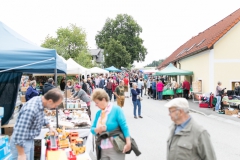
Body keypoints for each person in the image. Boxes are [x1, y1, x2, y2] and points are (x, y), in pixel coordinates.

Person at [10, 88, 63, 160]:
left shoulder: (40, 101)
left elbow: (40, 116)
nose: (56, 107)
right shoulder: (31, 110)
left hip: (28, 139)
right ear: (50, 101)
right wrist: (21, 154)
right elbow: (19, 134)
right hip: (21, 143)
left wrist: (49, 126)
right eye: (56, 105)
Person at [91, 88, 131, 160]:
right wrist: (97, 130)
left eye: (97, 102)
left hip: (116, 146)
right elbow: (92, 129)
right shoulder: (98, 113)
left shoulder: (116, 110)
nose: (96, 105)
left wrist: (128, 142)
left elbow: (124, 127)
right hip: (102, 148)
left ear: (103, 99)